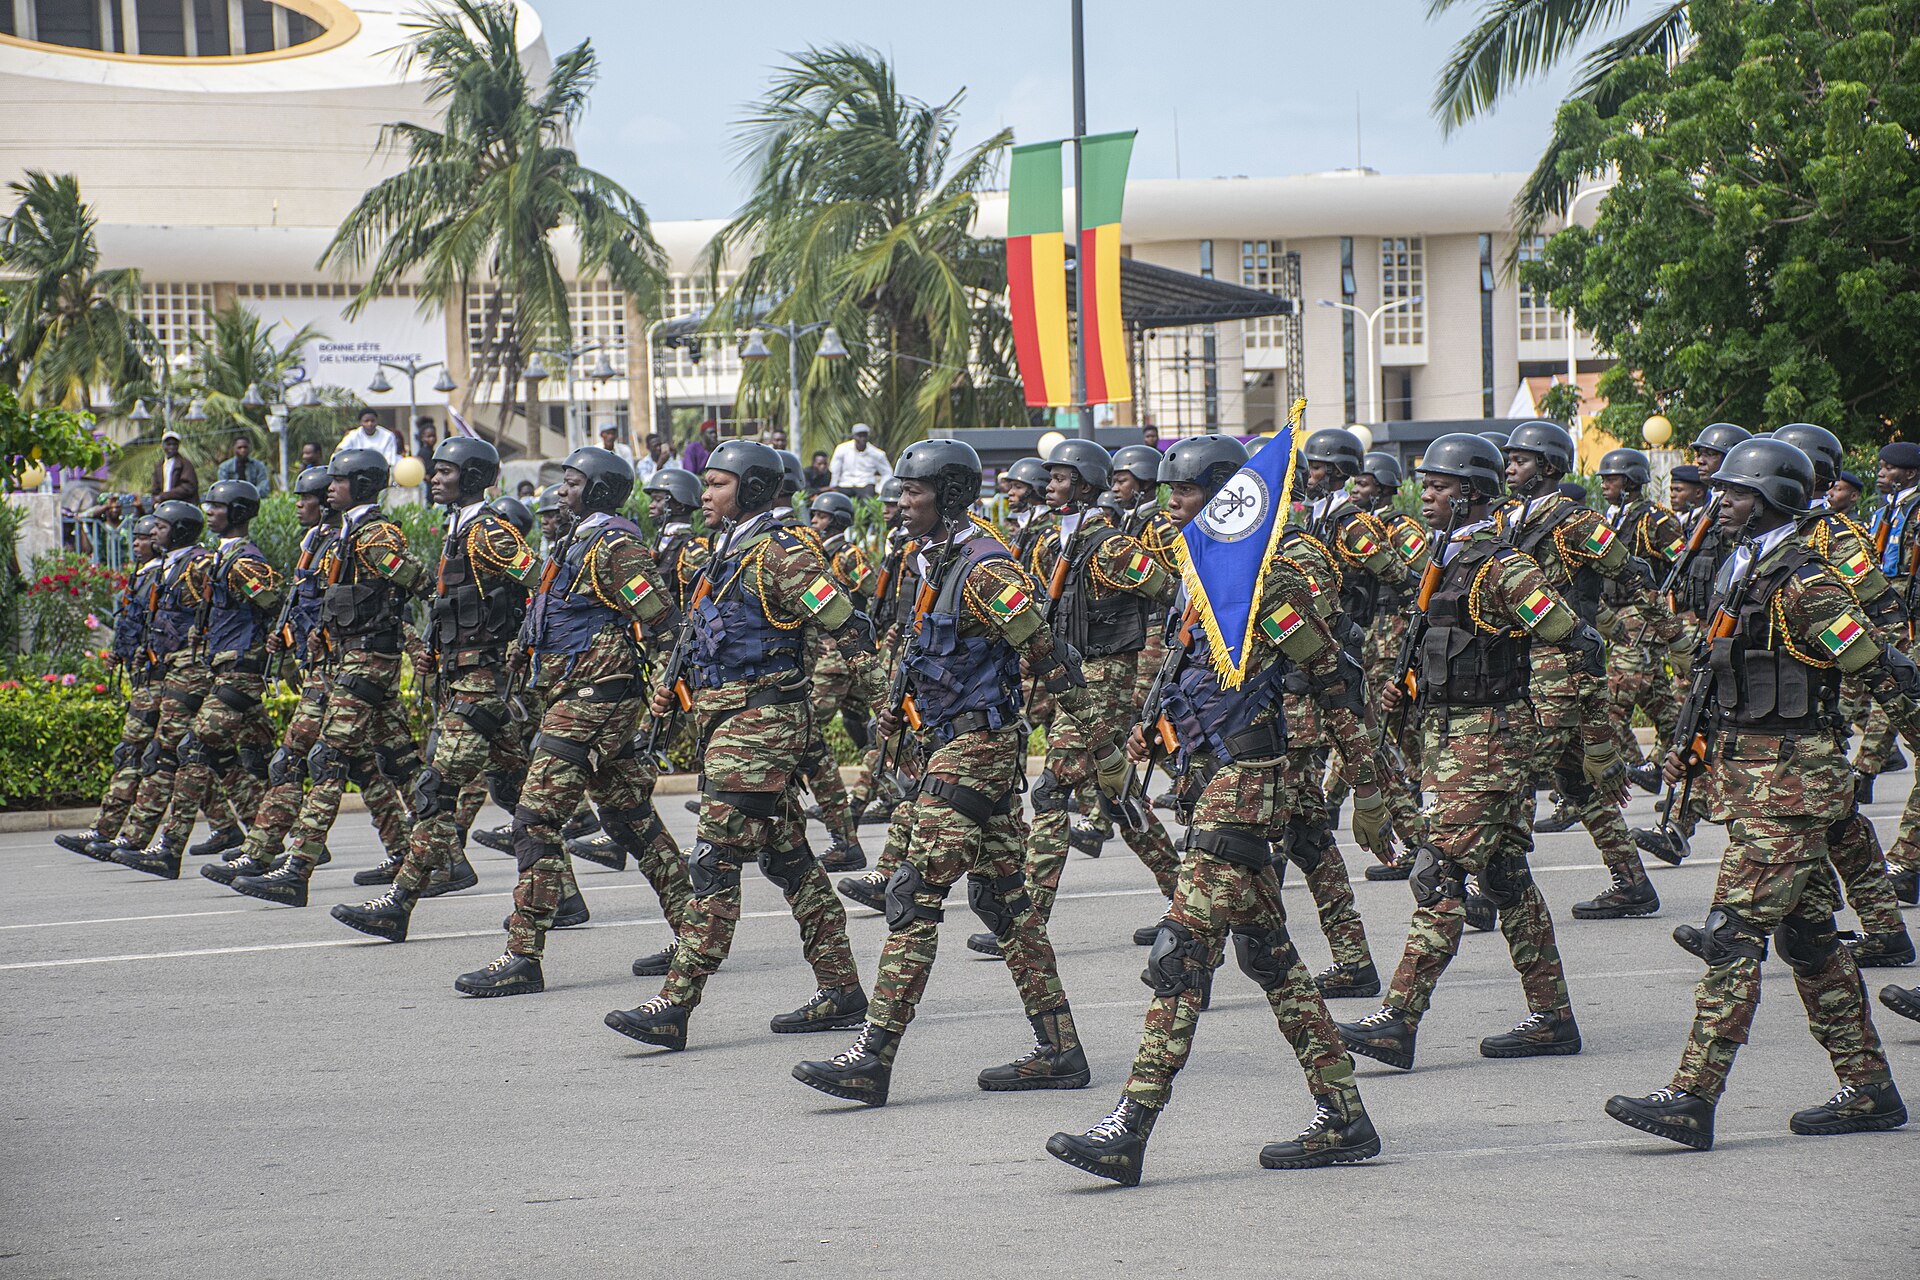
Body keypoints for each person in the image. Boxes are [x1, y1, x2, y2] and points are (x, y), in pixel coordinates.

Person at [1046, 434, 1385, 1187]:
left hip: (1248, 784)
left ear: (1231, 496)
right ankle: (1345, 1114)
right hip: (1207, 777)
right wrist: (1150, 724)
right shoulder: (1200, 573)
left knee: (1181, 952)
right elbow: (1186, 673)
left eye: (1186, 493)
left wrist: (1369, 785)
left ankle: (1129, 1126)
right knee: (1274, 961)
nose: (1171, 506)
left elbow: (1335, 682)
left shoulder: (1271, 581)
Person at [1605, 437, 1909, 1151]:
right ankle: (1870, 1088)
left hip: (1792, 783)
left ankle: (1692, 1095)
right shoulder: (1747, 567)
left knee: (1733, 934)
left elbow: (1879, 668)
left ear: (1775, 497)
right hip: (1756, 776)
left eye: (1738, 493)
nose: (1722, 501)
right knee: (1808, 940)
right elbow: (1723, 676)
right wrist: (1689, 750)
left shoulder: (1806, 580)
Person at [794, 439, 1101, 1108]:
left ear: (952, 496)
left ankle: (872, 1058)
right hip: (945, 749)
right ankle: (1060, 1050)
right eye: (902, 491)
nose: (902, 502)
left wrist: (1099, 751)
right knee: (1007, 905)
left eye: (915, 492)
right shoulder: (931, 560)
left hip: (977, 750)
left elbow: (1050, 656)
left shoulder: (988, 570)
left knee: (911, 895)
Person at [1337, 433, 1605, 1073]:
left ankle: (1399, 1020)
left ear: (1474, 494)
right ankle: (1553, 1018)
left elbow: (1575, 641)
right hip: (1452, 737)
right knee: (1507, 879)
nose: (1425, 495)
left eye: (1440, 486)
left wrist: (1554, 732)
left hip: (1489, 743)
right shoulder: (1442, 559)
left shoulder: (1503, 567)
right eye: (1424, 484)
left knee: (1439, 874)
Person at [603, 439, 876, 1050]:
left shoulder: (780, 555)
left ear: (751, 489)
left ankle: (675, 1003)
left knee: (714, 860)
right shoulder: (725, 552)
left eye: (719, 484)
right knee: (789, 860)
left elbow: (848, 629)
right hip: (731, 723)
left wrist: (891, 717)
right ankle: (843, 991)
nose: (705, 494)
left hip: (762, 725)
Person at [330, 438, 542, 946]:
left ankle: (399, 903)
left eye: (446, 471)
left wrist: (522, 646)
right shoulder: (458, 530)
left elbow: (542, 585)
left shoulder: (490, 532)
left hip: (483, 680)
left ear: (471, 477)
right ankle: (567, 896)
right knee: (515, 793)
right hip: (462, 674)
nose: (434, 478)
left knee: (434, 788)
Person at [980, 437, 1179, 958]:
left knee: (1051, 790)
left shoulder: (1112, 547)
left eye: (1061, 479)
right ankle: (1185, 896)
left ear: (1085, 486)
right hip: (1070, 672)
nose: (1050, 487)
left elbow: (1174, 593)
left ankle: (1025, 922)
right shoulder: (1056, 542)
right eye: (1050, 478)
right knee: (1119, 797)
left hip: (1105, 678)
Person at [1495, 421, 1679, 921]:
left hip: (1563, 670)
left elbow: (1634, 576)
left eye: (1521, 459)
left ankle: (1488, 887)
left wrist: (1672, 639)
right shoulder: (1509, 520)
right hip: (1526, 663)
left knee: (1514, 773)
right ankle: (1633, 883)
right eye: (1508, 459)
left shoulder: (1577, 522)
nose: (1509, 466)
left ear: (1549, 467)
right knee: (1580, 785)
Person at [225, 450, 425, 908]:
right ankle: (437, 853)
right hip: (344, 660)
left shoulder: (374, 533)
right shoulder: (343, 535)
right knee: (396, 762)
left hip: (368, 661)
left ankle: (296, 870)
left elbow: (415, 581)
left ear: (362, 484)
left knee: (326, 759)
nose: (328, 488)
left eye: (338, 481)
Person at [118, 480, 282, 878]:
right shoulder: (222, 559)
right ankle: (273, 840)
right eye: (207, 505)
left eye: (218, 506)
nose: (209, 511)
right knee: (255, 759)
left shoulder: (244, 562)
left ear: (238, 512)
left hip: (239, 671)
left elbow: (274, 605)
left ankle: (169, 848)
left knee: (194, 748)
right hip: (221, 669)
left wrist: (270, 646)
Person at [86, 501, 224, 865]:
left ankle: (135, 838)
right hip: (163, 667)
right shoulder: (165, 568)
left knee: (169, 754)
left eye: (158, 529)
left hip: (188, 670)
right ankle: (230, 830)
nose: (148, 536)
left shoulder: (198, 564)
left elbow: (210, 615)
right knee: (193, 757)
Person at [56, 515, 165, 858]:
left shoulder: (162, 576)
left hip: (160, 677)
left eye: (143, 537)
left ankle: (109, 832)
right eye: (134, 538)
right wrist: (119, 653)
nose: (136, 543)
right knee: (183, 760)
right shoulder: (142, 576)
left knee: (142, 754)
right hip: (144, 674)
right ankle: (228, 828)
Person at [1594, 447, 1686, 795]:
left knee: (1610, 703)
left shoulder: (1655, 520)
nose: (1604, 484)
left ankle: (1635, 766)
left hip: (1641, 616)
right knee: (1661, 706)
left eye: (1612, 478)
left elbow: (1681, 563)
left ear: (1631, 481)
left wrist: (1662, 606)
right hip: (1617, 616)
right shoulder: (1612, 517)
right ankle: (1687, 762)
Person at [829, 423, 894, 497]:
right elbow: (835, 470)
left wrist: (880, 489)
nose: (862, 439)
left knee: (867, 500)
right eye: (859, 436)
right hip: (845, 483)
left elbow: (887, 472)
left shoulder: (877, 454)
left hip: (866, 484)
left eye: (864, 436)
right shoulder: (842, 449)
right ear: (853, 436)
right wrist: (833, 486)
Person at [148, 430, 199, 505]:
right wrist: (155, 502)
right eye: (168, 444)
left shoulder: (185, 464)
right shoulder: (159, 466)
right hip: (164, 506)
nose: (171, 447)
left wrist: (164, 496)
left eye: (174, 444)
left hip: (182, 505)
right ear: (163, 445)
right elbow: (155, 489)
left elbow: (188, 487)